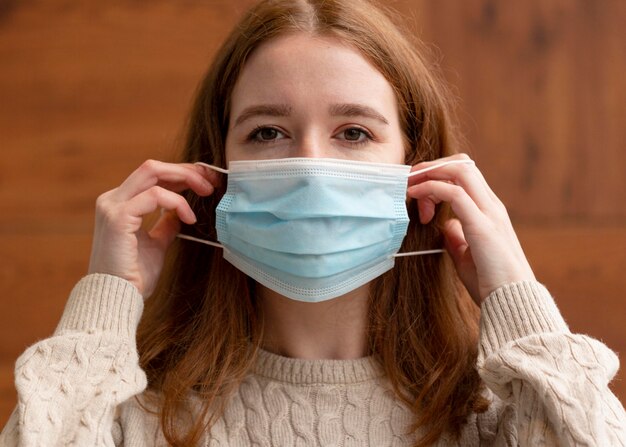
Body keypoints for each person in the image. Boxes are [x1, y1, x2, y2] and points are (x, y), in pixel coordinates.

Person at [1, 0, 625, 445]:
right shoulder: (132, 419)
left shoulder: (493, 419)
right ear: (212, 172)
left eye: (353, 131)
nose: (309, 166)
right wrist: (104, 302)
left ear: (419, 168)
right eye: (268, 132)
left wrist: (512, 297)